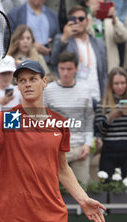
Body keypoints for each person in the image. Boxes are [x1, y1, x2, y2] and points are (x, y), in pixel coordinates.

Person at [0, 60, 106, 222]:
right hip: (12, 220)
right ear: (18, 86)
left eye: (33, 79)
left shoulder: (59, 123)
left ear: (44, 82)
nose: (27, 84)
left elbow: (62, 168)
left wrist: (83, 198)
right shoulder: (9, 119)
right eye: (22, 81)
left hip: (51, 218)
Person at [43, 51, 93, 185]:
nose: (65, 73)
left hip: (79, 149)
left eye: (69, 69)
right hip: (55, 150)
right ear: (57, 68)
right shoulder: (48, 90)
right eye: (62, 69)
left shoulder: (84, 89)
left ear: (76, 69)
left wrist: (88, 144)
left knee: (82, 193)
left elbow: (89, 119)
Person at [51, 5, 108, 108]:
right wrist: (64, 38)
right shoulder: (63, 40)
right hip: (73, 98)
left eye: (81, 18)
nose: (78, 21)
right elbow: (54, 61)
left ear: (87, 21)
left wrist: (105, 96)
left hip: (96, 95)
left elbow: (103, 73)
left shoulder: (98, 43)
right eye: (74, 19)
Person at [94, 67, 127, 181]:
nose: (120, 86)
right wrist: (110, 118)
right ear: (110, 85)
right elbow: (99, 130)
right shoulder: (103, 103)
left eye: (123, 83)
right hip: (109, 153)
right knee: (107, 190)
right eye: (116, 83)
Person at [84, 0, 127, 72]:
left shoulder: (109, 19)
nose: (98, 1)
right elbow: (84, 35)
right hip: (92, 66)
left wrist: (115, 21)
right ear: (87, 2)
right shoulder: (82, 18)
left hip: (110, 66)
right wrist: (91, 16)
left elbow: (124, 37)